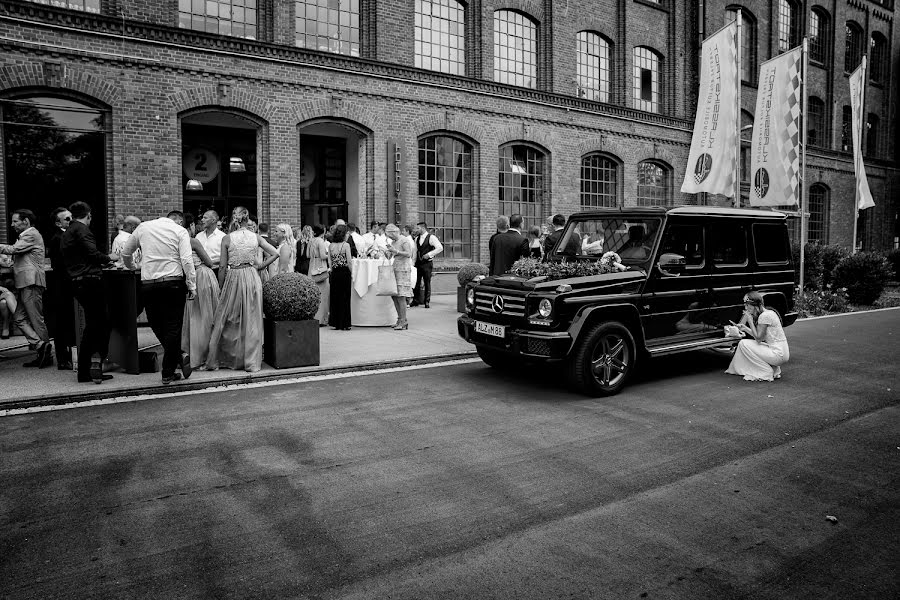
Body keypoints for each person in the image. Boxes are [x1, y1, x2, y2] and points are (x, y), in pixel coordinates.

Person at [122, 210, 197, 384]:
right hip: (173, 283)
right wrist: (192, 285)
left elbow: (126, 253)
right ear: (178, 221)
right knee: (173, 327)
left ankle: (174, 361)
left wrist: (132, 267)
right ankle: (169, 370)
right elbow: (186, 260)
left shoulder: (143, 227)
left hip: (149, 284)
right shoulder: (180, 231)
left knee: (155, 323)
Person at [206, 206, 279, 372]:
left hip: (234, 277)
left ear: (235, 219)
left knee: (228, 317)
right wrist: (260, 266)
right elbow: (275, 253)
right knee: (252, 318)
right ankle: (251, 361)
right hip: (252, 277)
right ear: (248, 220)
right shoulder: (256, 237)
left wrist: (221, 286)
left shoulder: (227, 238)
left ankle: (229, 357)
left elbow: (223, 266)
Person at [61, 201, 118, 383]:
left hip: (77, 281)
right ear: (89, 215)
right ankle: (92, 365)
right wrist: (110, 257)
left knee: (95, 324)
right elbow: (92, 254)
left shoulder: (68, 232)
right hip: (90, 280)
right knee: (100, 324)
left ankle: (89, 367)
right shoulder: (82, 230)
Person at [0, 209, 52, 368]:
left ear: (26, 221)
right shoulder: (26, 236)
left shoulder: (31, 234)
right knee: (19, 318)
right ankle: (40, 346)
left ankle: (45, 353)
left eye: (15, 221)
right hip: (25, 282)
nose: (12, 224)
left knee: (36, 319)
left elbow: (14, 250)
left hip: (31, 282)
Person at [180, 217, 219, 370]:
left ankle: (192, 354)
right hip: (203, 276)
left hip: (188, 279)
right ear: (190, 225)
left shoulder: (177, 242)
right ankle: (207, 354)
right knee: (207, 317)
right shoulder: (193, 241)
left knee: (193, 318)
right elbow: (209, 262)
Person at [725, 292, 790, 382]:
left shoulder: (764, 316)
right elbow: (761, 337)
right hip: (781, 352)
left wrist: (750, 321)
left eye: (747, 305)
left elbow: (759, 339)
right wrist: (745, 328)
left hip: (778, 354)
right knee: (747, 343)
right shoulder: (769, 312)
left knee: (743, 343)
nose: (746, 308)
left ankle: (766, 371)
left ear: (755, 305)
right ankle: (773, 369)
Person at [46, 206, 75, 369]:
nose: (71, 221)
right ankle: (63, 359)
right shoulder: (58, 238)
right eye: (67, 219)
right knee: (62, 322)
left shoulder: (67, 236)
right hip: (61, 285)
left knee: (68, 321)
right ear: (58, 223)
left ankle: (69, 356)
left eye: (71, 217)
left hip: (66, 284)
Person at [383, 223, 413, 330]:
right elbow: (391, 256)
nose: (389, 237)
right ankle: (399, 319)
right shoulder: (393, 242)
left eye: (390, 235)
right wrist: (387, 252)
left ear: (394, 232)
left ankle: (404, 320)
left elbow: (409, 254)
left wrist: (396, 251)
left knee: (401, 296)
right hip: (395, 268)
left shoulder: (404, 240)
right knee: (394, 295)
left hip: (403, 269)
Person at [410, 222, 443, 309]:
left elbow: (440, 248)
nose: (416, 230)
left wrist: (429, 254)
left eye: (418, 228)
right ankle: (415, 300)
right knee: (416, 282)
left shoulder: (431, 237)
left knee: (427, 282)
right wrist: (413, 263)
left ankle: (426, 301)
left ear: (423, 228)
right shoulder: (417, 238)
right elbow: (415, 252)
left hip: (427, 263)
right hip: (418, 263)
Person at [328, 224, 353, 330]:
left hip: (334, 273)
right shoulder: (346, 245)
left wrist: (332, 270)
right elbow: (349, 261)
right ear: (344, 234)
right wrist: (352, 273)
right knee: (345, 298)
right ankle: (344, 323)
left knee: (335, 297)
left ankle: (336, 322)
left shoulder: (330, 246)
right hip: (344, 272)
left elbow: (329, 262)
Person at [309, 224, 331, 326]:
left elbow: (308, 255)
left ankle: (313, 316)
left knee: (313, 292)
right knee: (323, 293)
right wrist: (330, 255)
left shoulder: (311, 240)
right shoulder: (320, 241)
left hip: (312, 265)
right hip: (320, 266)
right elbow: (322, 256)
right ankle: (321, 319)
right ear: (323, 231)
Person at [196, 211, 226, 279]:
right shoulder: (198, 236)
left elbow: (226, 258)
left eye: (205, 218)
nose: (202, 220)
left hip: (216, 272)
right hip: (200, 272)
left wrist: (210, 262)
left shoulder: (222, 237)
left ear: (213, 220)